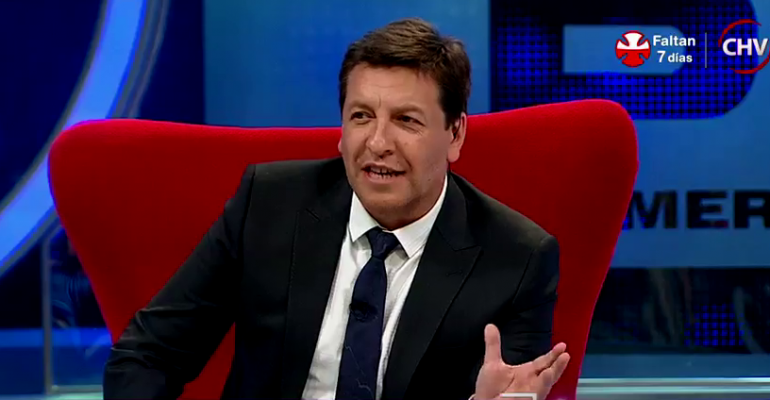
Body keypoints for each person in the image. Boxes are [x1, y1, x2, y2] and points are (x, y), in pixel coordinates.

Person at [103, 18, 569, 400]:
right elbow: (149, 354)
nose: (378, 143)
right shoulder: (268, 205)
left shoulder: (518, 258)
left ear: (455, 134)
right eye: (361, 116)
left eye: (406, 120)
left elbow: (512, 392)